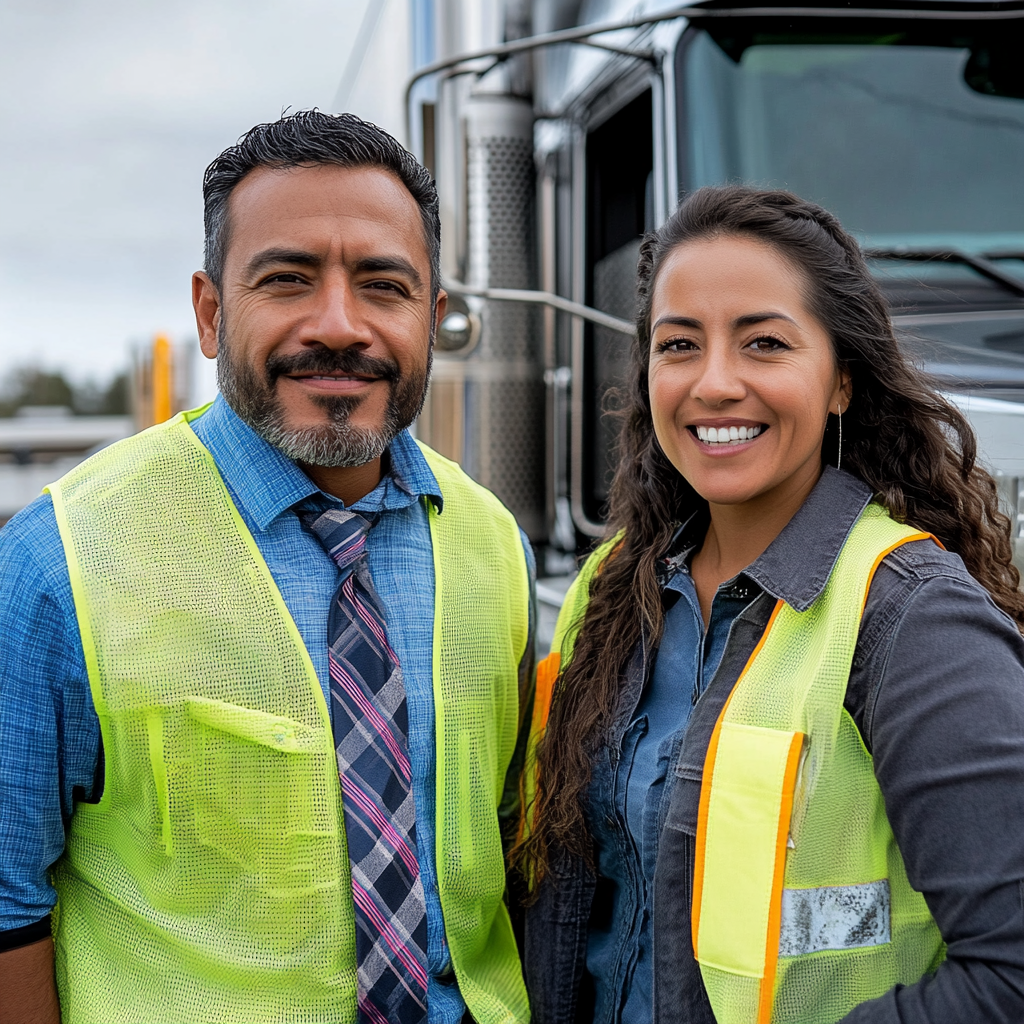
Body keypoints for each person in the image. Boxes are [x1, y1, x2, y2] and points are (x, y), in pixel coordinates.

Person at [0, 110, 533, 1024]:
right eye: (287, 280)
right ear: (212, 313)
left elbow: (506, 860)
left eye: (383, 285)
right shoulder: (58, 562)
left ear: (432, 317)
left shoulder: (496, 546)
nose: (339, 326)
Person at [514, 186, 1024, 1024]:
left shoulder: (914, 622)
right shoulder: (609, 596)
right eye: (679, 345)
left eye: (764, 343)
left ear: (841, 384)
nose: (715, 383)